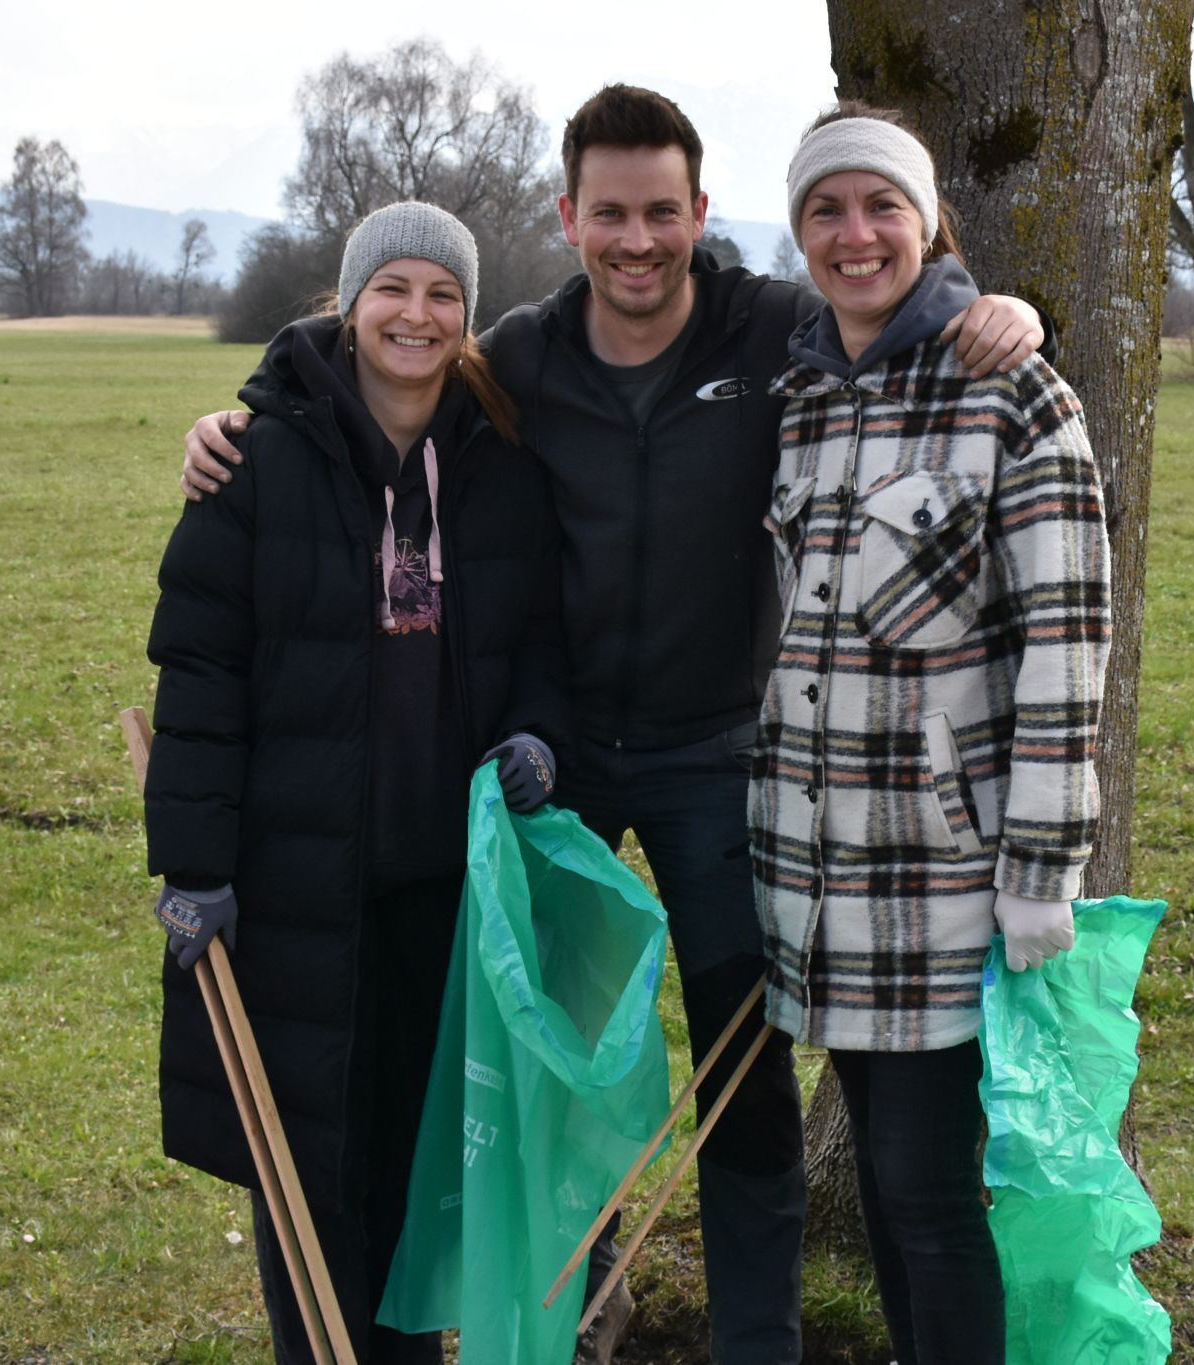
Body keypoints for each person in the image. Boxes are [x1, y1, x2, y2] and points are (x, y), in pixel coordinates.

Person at [180, 84, 1048, 1365]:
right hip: (554, 769)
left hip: (721, 768)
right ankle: (574, 1318)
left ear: (699, 212)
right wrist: (241, 422)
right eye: (608, 214)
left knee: (740, 1089)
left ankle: (757, 1339)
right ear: (568, 216)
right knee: (546, 1070)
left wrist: (996, 301)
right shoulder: (520, 355)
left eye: (660, 212)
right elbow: (366, 378)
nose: (635, 240)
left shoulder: (774, 332)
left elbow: (889, 292)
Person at [144, 201, 569, 1365]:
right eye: (393, 289)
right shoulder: (253, 462)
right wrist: (194, 868)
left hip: (445, 890)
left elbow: (540, 644)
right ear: (350, 300)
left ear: (467, 321)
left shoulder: (501, 468)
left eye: (443, 295)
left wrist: (533, 736)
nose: (416, 316)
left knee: (417, 1163)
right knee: (306, 1165)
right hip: (296, 885)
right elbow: (198, 671)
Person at [752, 105, 1111, 1365]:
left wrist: (1039, 874)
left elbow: (1066, 648)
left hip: (941, 882)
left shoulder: (1009, 390)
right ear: (798, 233)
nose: (855, 236)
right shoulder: (803, 398)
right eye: (825, 211)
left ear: (926, 221)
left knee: (924, 1199)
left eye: (880, 207)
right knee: (901, 1202)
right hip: (814, 881)